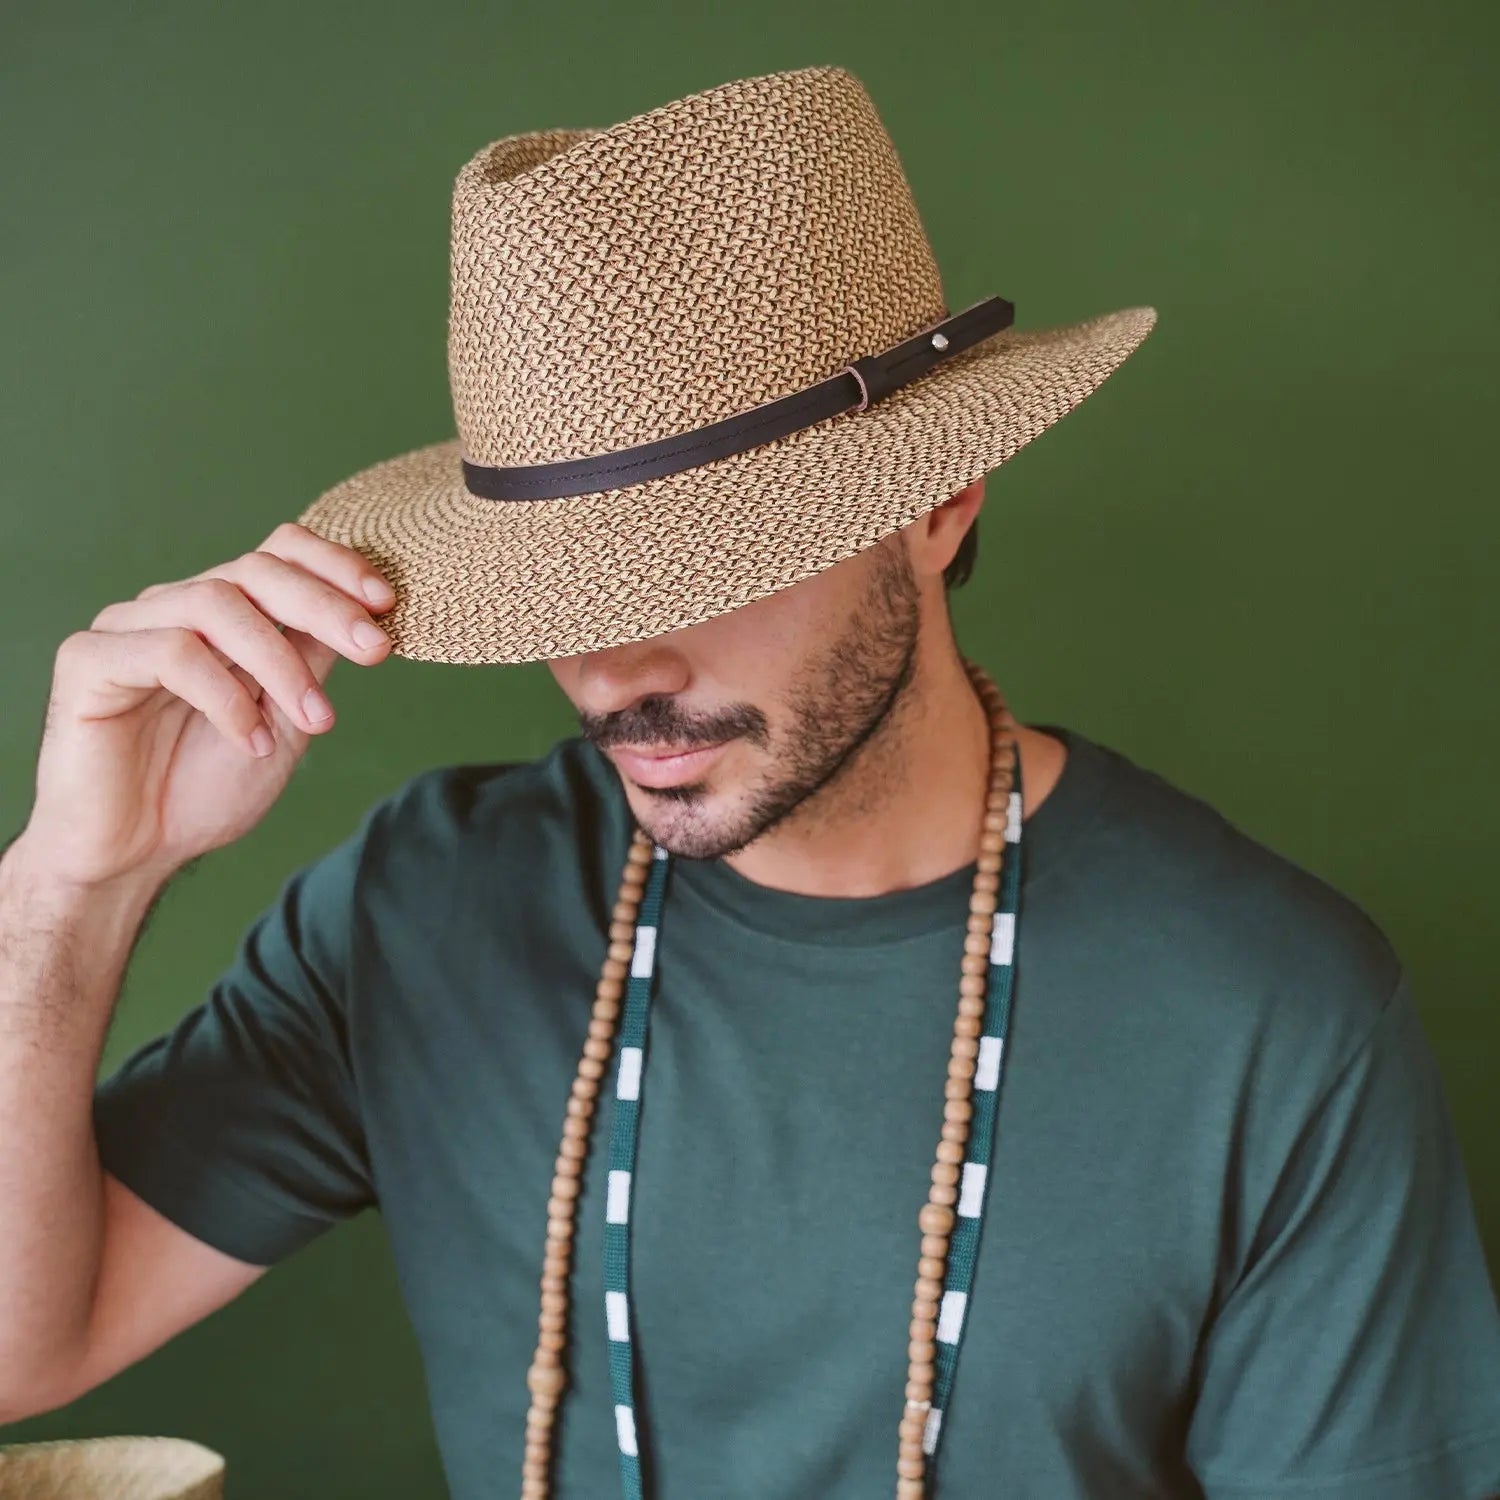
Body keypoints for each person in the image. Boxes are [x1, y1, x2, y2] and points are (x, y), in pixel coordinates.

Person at [4, 63, 1500, 1500]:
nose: (613, 670)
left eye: (705, 565)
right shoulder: (427, 907)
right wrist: (77, 880)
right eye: (558, 592)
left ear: (938, 501)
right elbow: (22, 1353)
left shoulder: (1267, 1016)